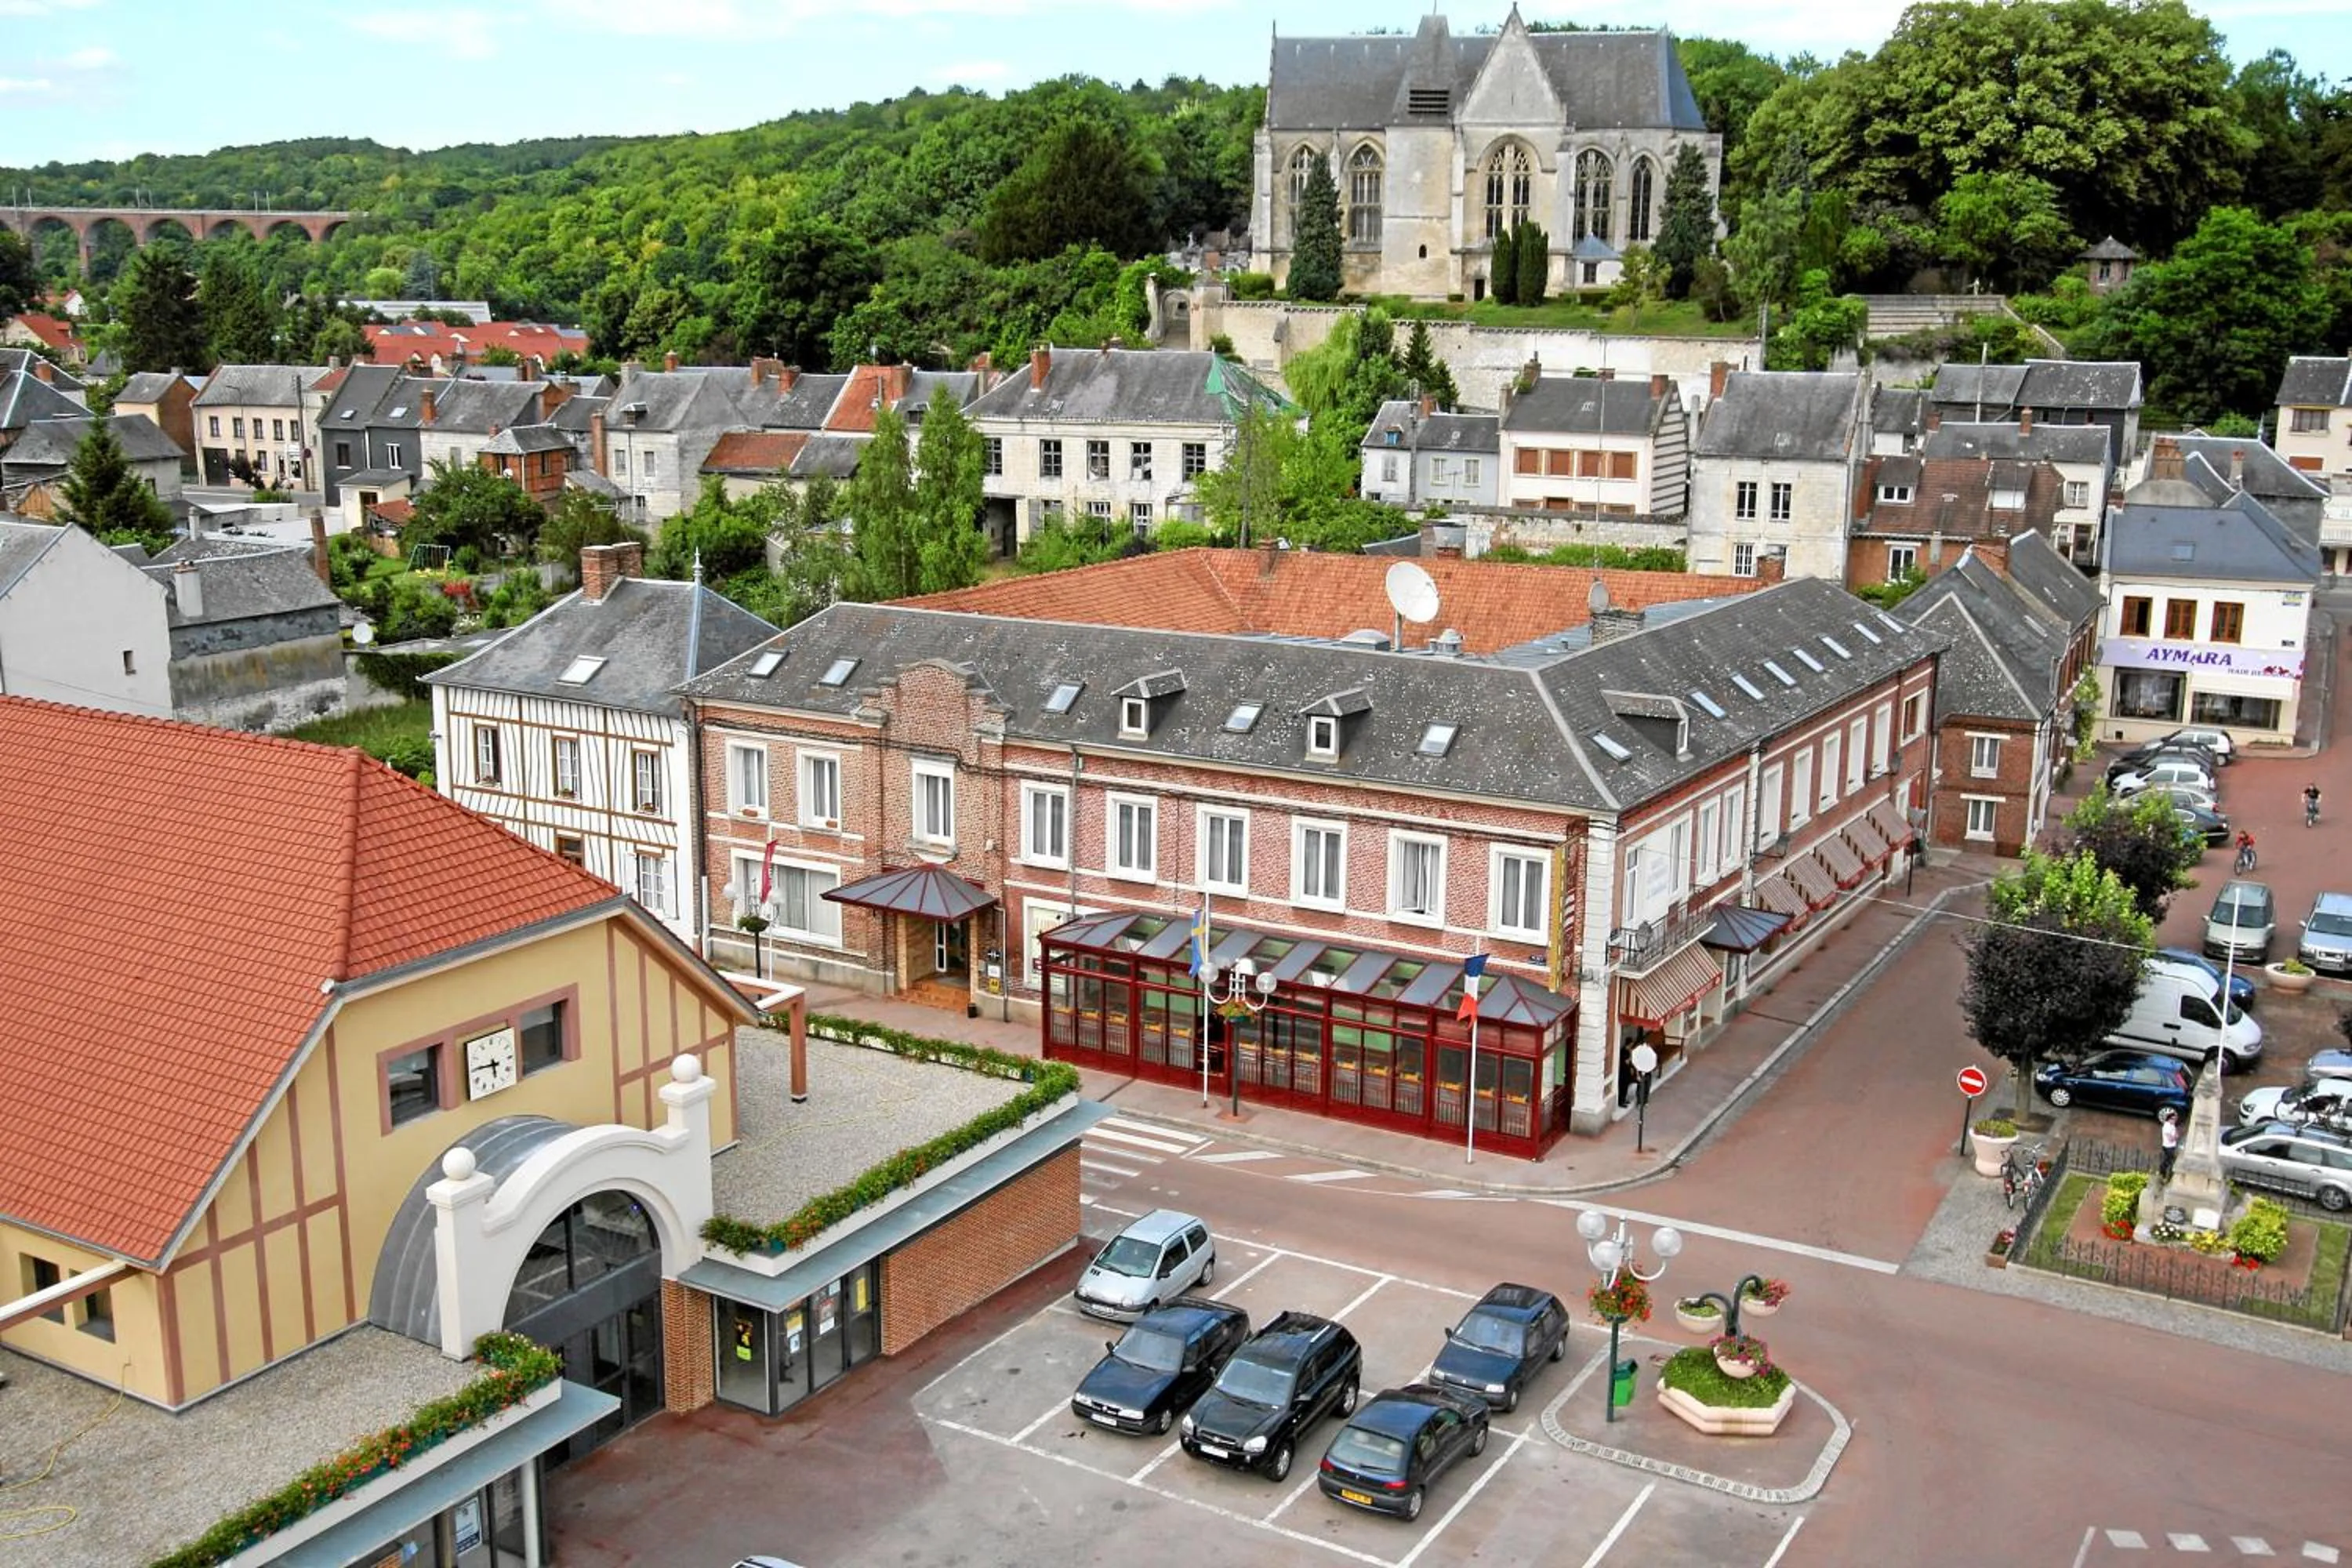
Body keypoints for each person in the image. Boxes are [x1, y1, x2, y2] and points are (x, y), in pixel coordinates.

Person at [2158, 1107, 2180, 1183]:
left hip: (2172, 1146)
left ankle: (2166, 1174)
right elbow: (2171, 1138)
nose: (2174, 1120)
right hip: (2168, 1146)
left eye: (2175, 1119)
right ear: (2169, 1119)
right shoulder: (2167, 1126)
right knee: (2169, 1161)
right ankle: (2163, 1173)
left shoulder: (2172, 1125)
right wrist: (2175, 1137)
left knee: (2169, 1160)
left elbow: (2176, 1134)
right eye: (2173, 1119)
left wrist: (2175, 1136)